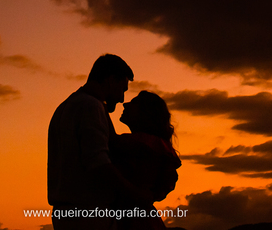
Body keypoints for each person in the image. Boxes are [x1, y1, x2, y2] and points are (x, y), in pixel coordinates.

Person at [48, 54, 150, 229]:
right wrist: (136, 194)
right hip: (89, 216)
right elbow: (98, 164)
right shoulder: (91, 107)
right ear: (110, 80)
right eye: (122, 89)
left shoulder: (66, 107)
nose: (122, 99)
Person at [111, 91, 181, 229]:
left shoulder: (142, 143)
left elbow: (110, 142)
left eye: (134, 102)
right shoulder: (158, 146)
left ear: (146, 113)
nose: (126, 104)